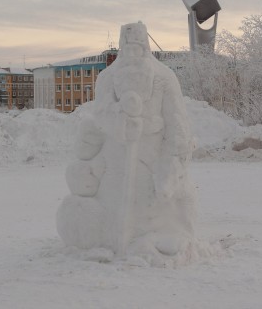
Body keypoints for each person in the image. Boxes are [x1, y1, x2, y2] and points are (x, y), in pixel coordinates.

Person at [56, 22, 198, 266]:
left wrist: (172, 161)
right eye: (127, 47)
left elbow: (177, 123)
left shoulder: (164, 77)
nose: (133, 53)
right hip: (115, 159)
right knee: (114, 208)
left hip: (151, 158)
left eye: (138, 47)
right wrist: (121, 120)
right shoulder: (108, 77)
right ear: (121, 48)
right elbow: (100, 114)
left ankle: (152, 243)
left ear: (146, 47)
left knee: (149, 211)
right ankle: (112, 241)